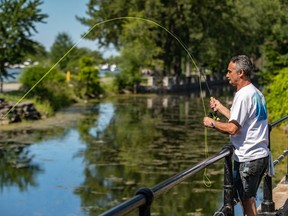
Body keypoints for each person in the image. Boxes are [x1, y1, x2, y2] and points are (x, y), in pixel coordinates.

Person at [203, 55, 269, 216]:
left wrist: (211, 123)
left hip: (249, 158)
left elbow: (233, 128)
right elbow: (240, 118)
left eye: (229, 71)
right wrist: (220, 107)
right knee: (249, 198)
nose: (227, 75)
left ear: (240, 73)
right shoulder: (255, 92)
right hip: (260, 155)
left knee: (246, 201)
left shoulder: (243, 95)